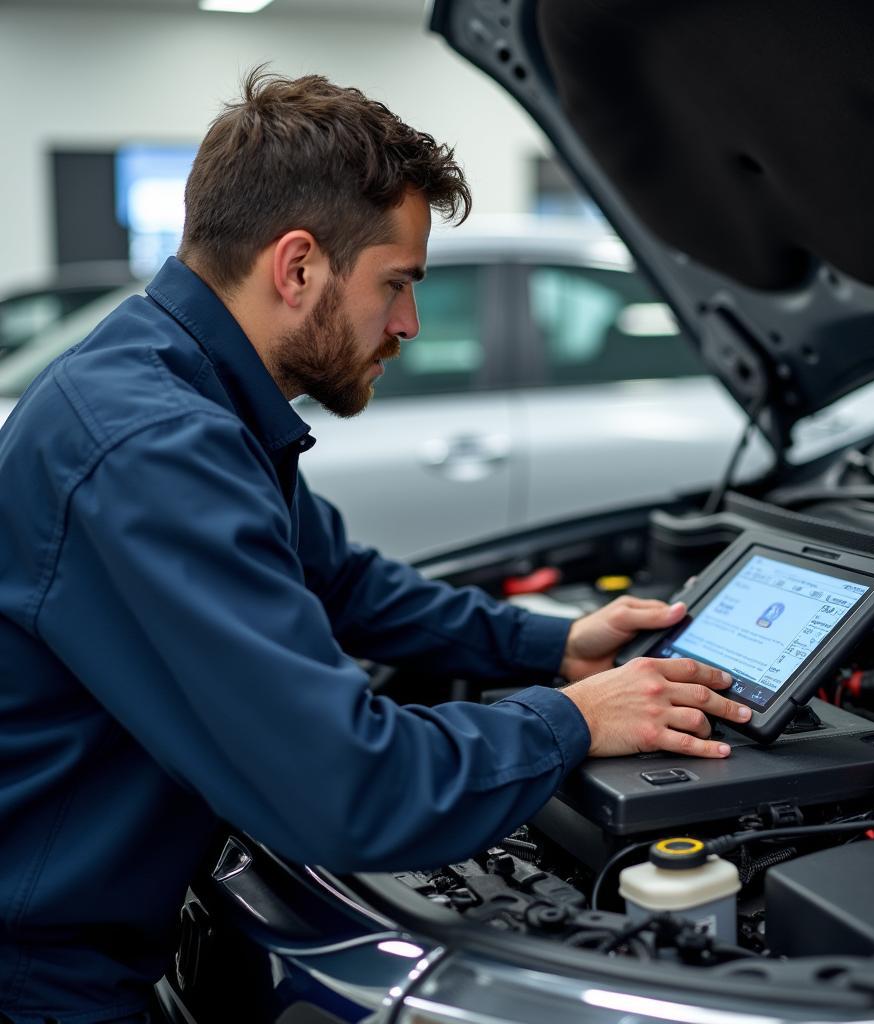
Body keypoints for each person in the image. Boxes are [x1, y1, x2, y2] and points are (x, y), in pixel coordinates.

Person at [0, 70, 751, 1022]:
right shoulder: (150, 446)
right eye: (396, 283)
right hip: (39, 977)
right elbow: (344, 786)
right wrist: (570, 720)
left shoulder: (184, 389)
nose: (408, 324)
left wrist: (552, 647)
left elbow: (345, 583)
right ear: (299, 265)